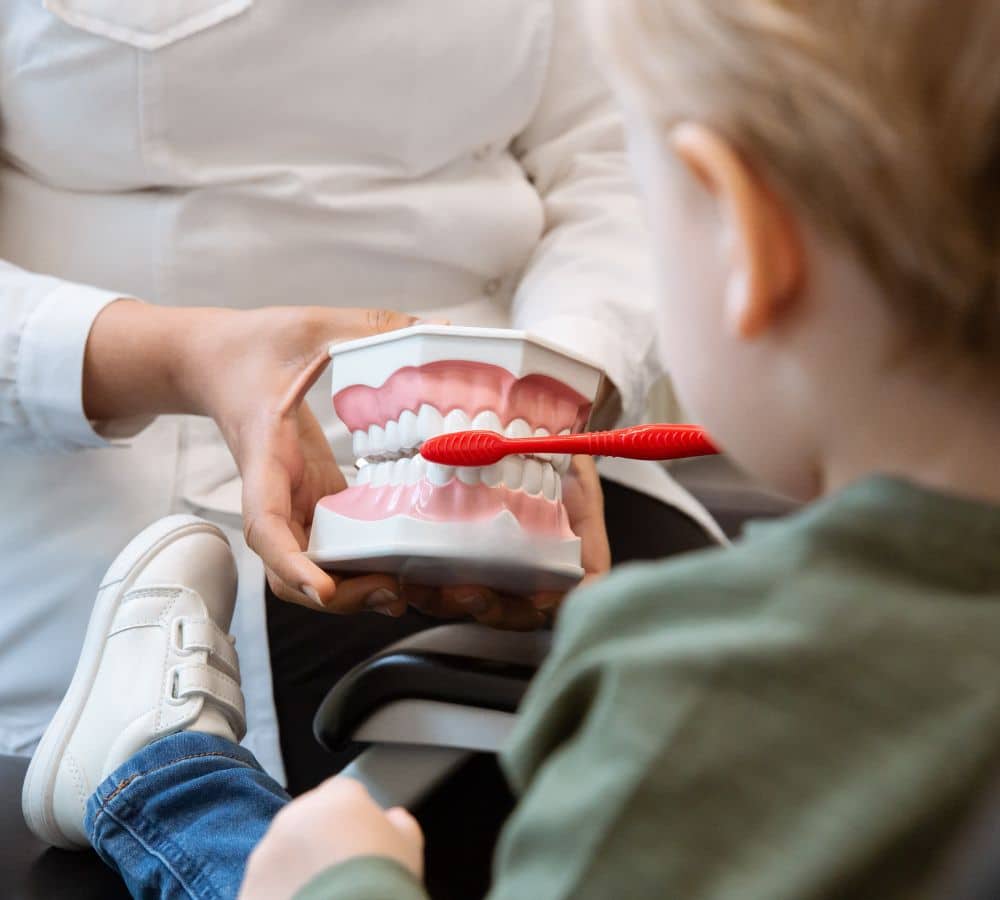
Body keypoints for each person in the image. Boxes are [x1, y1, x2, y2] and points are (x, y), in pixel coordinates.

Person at [26, 0, 1000, 896]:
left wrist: (344, 881)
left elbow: (602, 158)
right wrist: (182, 355)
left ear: (750, 241)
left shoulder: (687, 694)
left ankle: (162, 776)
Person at [0, 0, 720, 797]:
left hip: (529, 442)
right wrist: (191, 357)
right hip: (139, 457)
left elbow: (614, 160)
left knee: (753, 708)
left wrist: (561, 382)